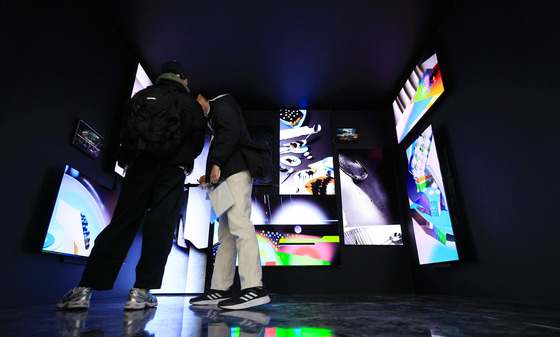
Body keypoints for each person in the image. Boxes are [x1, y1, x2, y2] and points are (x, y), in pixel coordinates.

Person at [56, 60, 207, 310]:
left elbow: (124, 132)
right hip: (171, 172)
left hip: (139, 168)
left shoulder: (142, 95)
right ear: (184, 79)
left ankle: (84, 290)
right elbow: (197, 144)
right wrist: (181, 160)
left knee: (122, 224)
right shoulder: (190, 104)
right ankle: (140, 293)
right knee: (160, 227)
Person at [189, 91, 270, 310]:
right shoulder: (213, 117)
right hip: (224, 179)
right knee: (225, 233)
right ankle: (220, 289)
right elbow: (224, 139)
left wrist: (216, 163)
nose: (195, 112)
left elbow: (231, 131)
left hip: (235, 174)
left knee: (239, 224)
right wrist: (211, 172)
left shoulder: (223, 102)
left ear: (200, 97)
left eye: (195, 106)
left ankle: (254, 287)